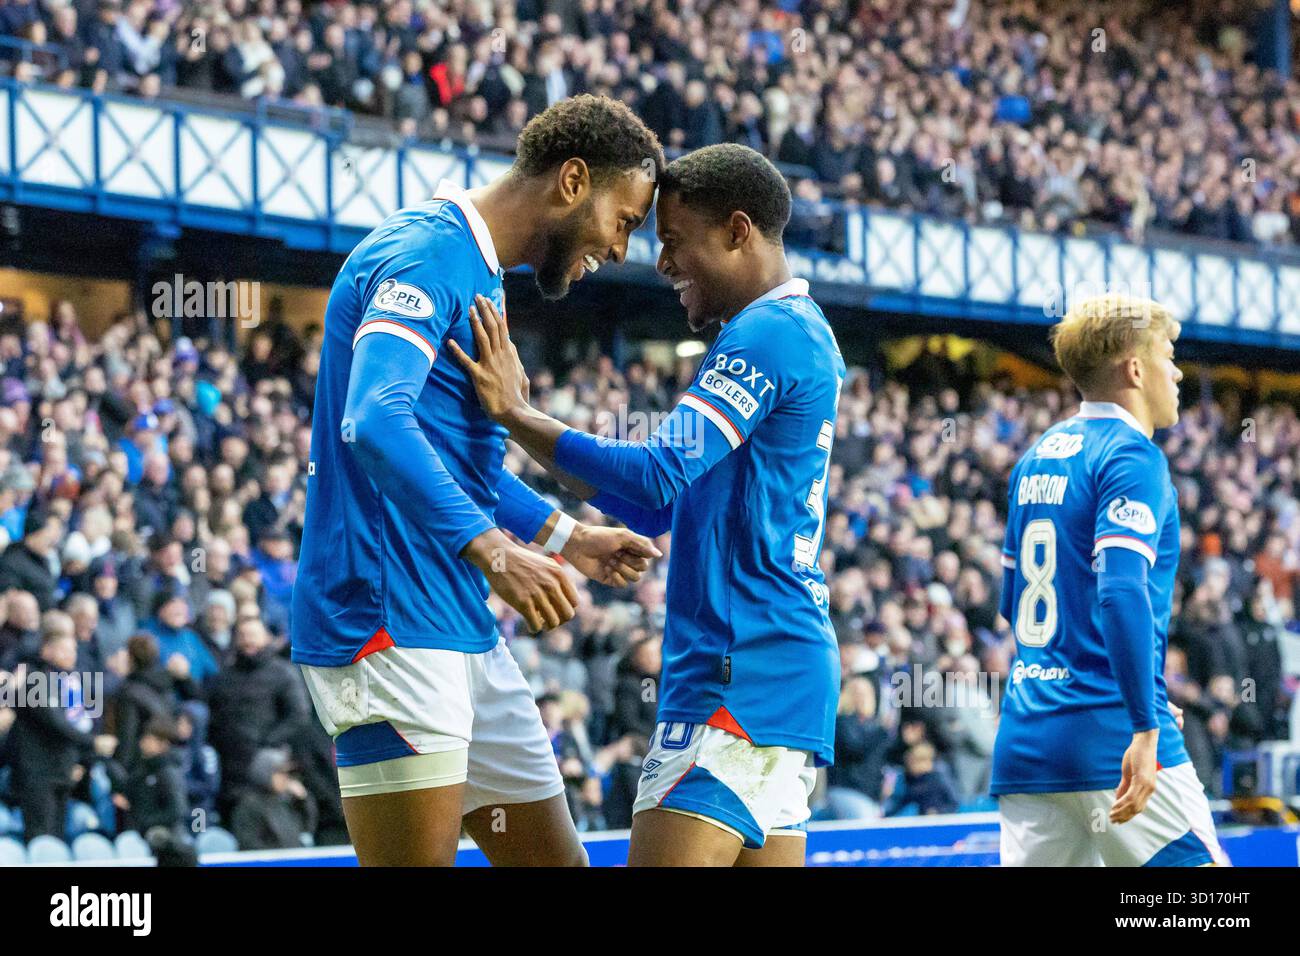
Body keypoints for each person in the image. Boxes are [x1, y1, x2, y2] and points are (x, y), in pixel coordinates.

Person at [289, 94, 665, 867]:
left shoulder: (481, 274)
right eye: (624, 220)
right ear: (570, 181)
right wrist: (493, 551)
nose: (622, 249)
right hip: (385, 622)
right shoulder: (429, 252)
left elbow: (457, 462)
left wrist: (566, 535)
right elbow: (375, 419)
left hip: (458, 623)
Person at [451, 143, 845, 866]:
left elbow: (657, 475)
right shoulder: (803, 334)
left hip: (734, 674)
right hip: (781, 675)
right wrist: (570, 528)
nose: (660, 261)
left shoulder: (764, 333)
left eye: (673, 240)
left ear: (736, 230)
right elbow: (662, 506)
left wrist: (518, 416)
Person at [993, 294, 1228, 866]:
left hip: (1029, 741)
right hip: (1113, 737)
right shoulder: (1132, 457)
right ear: (1135, 367)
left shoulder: (1035, 458)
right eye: (1168, 355)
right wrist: (1143, 718)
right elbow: (1121, 591)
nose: (1176, 372)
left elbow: (1010, 603)